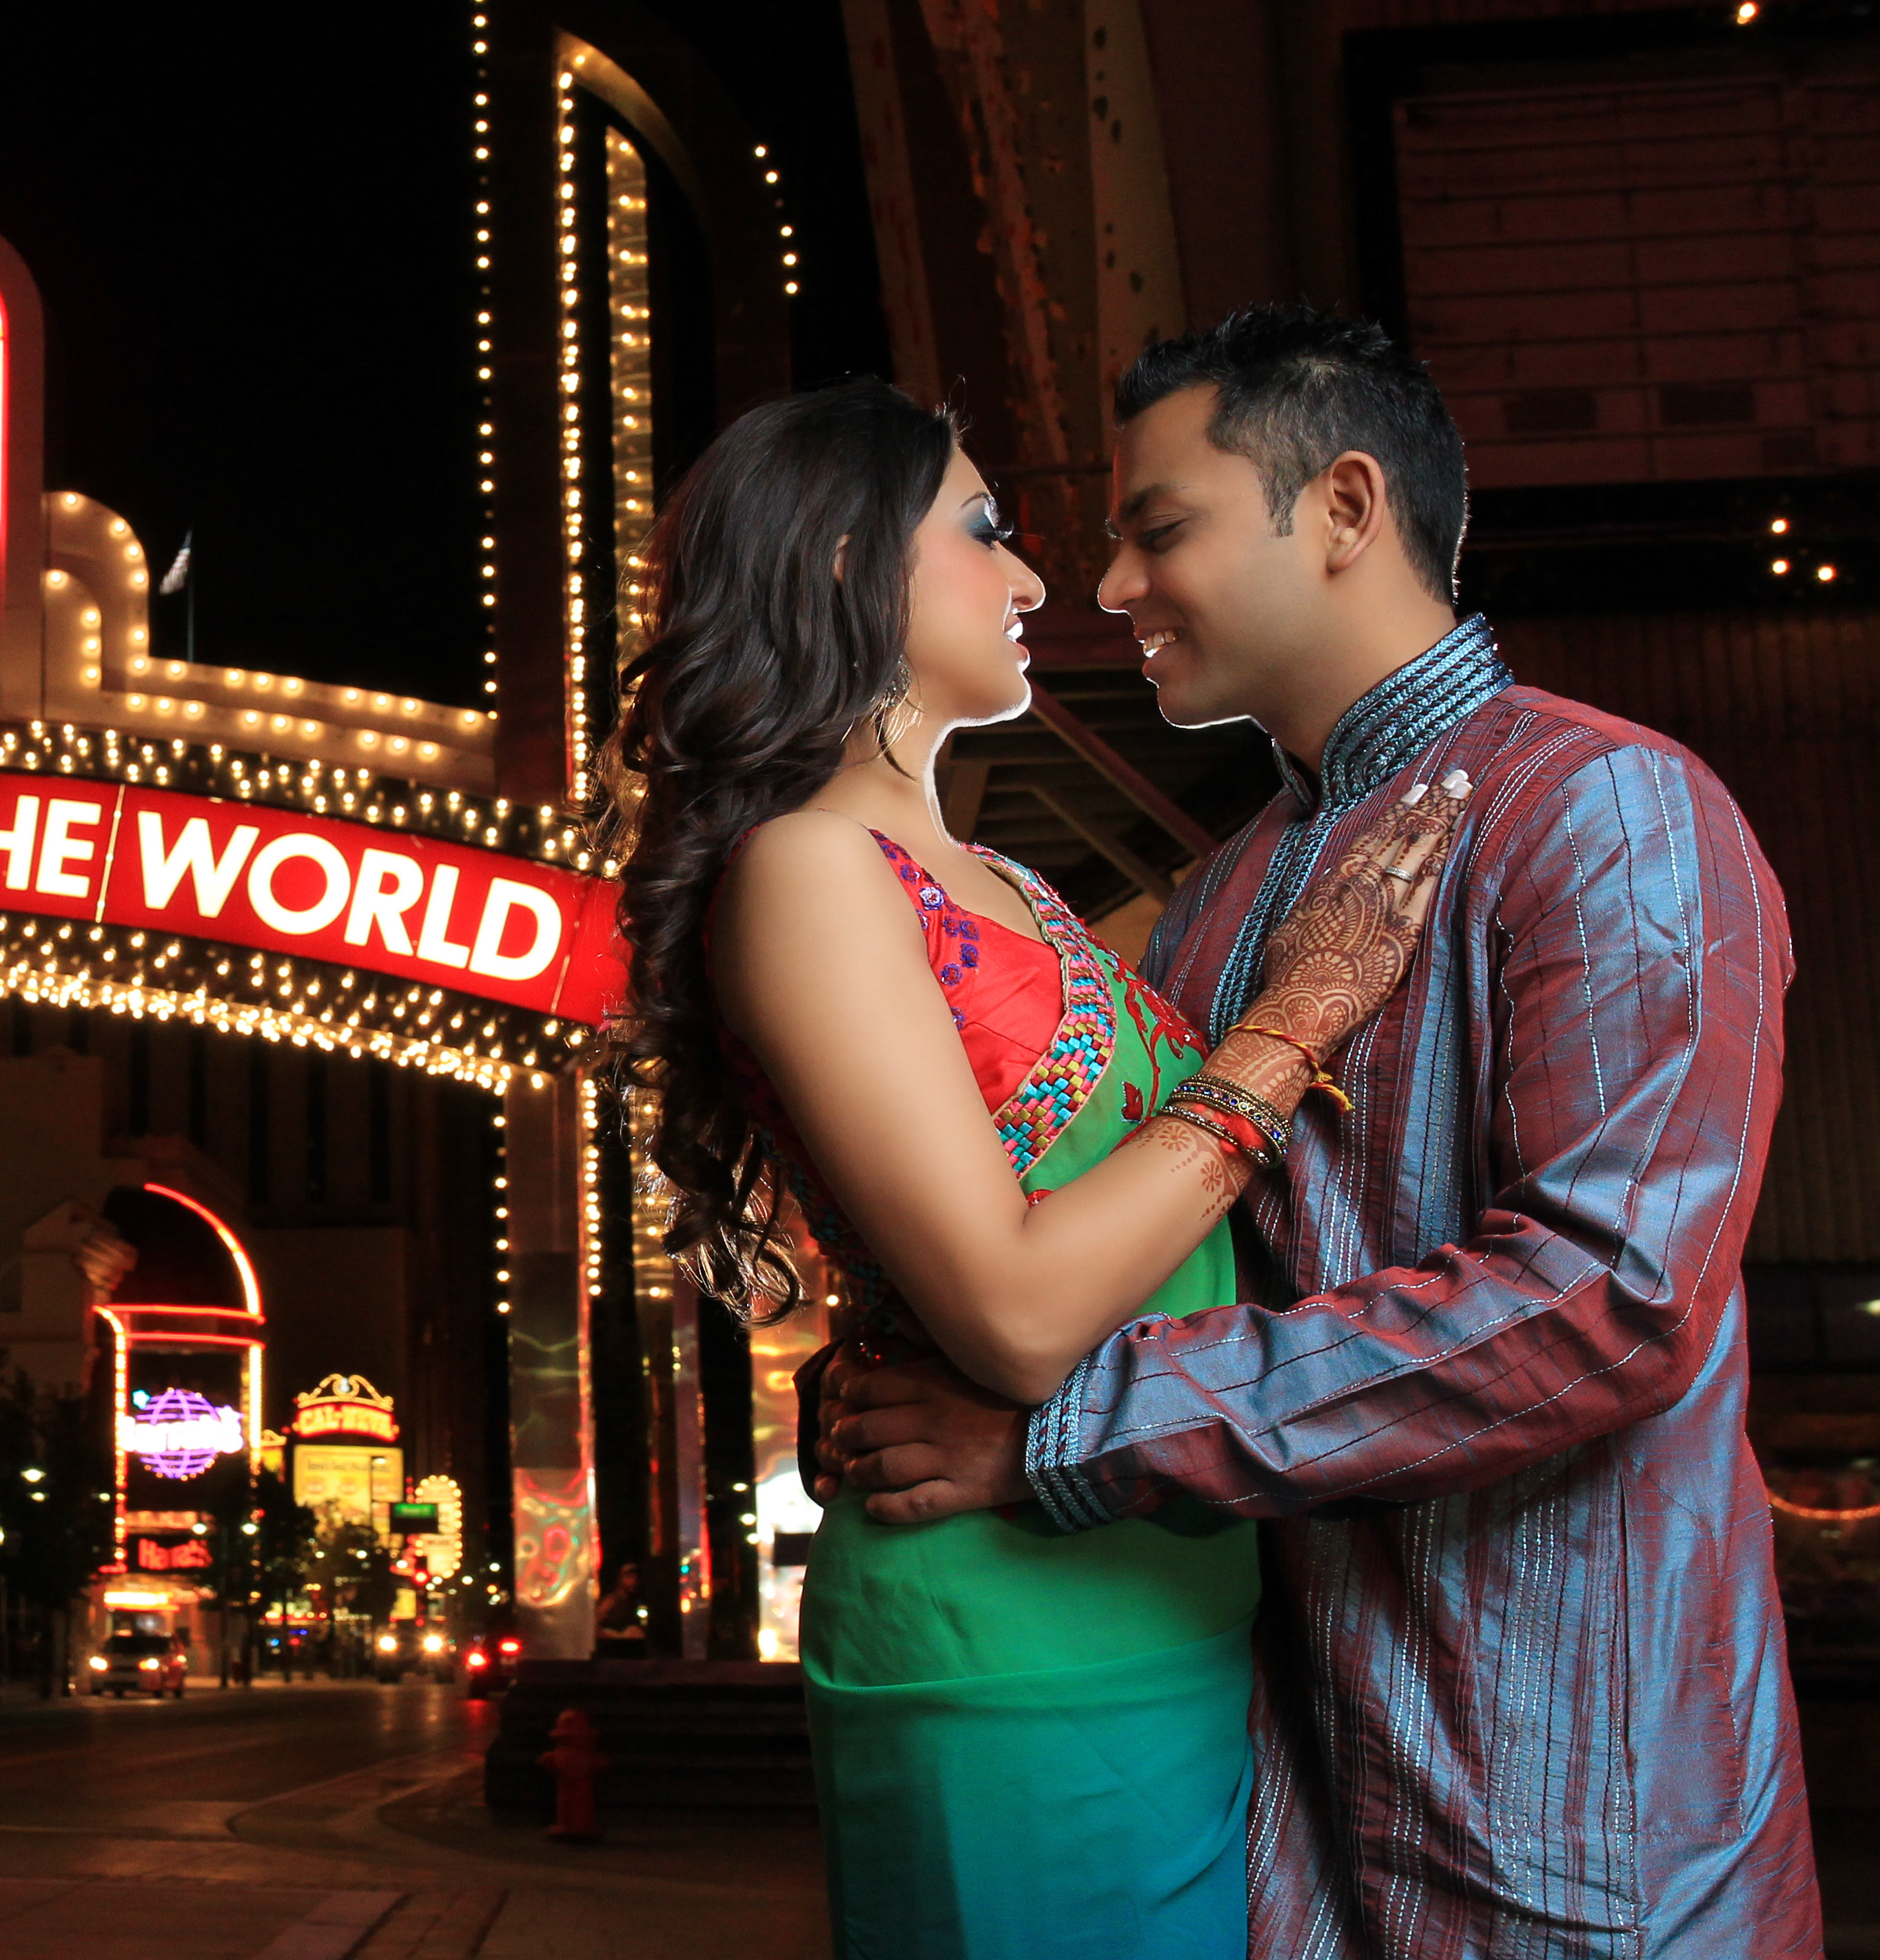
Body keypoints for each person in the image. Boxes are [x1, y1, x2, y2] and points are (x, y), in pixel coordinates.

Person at [823, 307, 1823, 1952]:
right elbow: (1138, 1254)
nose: (1114, 588)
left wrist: (1067, 1433)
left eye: (1160, 530)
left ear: (1344, 508)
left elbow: (1610, 1294)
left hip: (1584, 1830)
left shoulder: (1609, 811)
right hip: (1283, 1818)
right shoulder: (1211, 908)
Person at [602, 376, 1451, 1958]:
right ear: (851, 562)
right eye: (983, 532)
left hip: (1183, 1610)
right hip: (1003, 1655)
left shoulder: (996, 875)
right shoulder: (802, 869)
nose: (1034, 581)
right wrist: (1292, 1025)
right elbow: (1009, 1310)